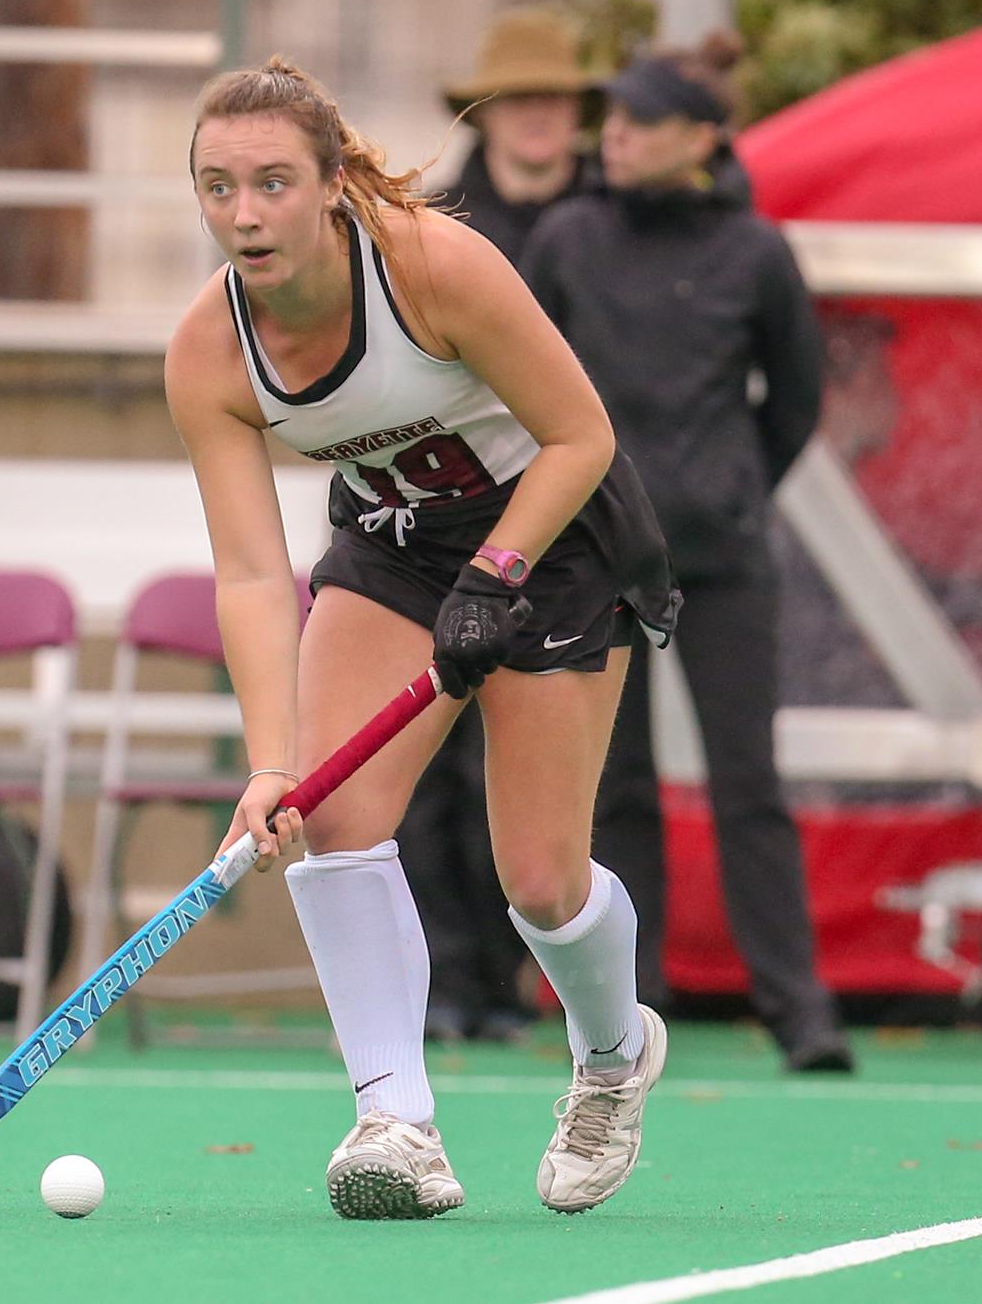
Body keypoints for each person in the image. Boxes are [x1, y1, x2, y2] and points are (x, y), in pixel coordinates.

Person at [169, 59, 681, 1219]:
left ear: (333, 183)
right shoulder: (207, 350)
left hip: (547, 539)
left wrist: (497, 573)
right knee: (331, 818)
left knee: (540, 882)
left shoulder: (432, 266)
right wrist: (267, 764)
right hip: (394, 544)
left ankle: (609, 1055)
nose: (242, 215)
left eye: (270, 183)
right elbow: (252, 572)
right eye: (215, 187)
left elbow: (576, 434)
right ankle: (393, 1121)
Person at [522, 34, 855, 1073]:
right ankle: (623, 1011)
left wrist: (723, 489)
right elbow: (520, 383)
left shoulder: (755, 251)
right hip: (592, 556)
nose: (610, 135)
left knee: (745, 780)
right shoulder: (568, 238)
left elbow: (794, 400)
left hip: (720, 557)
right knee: (608, 791)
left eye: (637, 119)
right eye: (609, 117)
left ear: (700, 138)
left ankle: (798, 1012)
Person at [402, 5, 599, 1044]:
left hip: (566, 528)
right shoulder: (434, 227)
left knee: (535, 769)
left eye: (553, 100)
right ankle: (446, 983)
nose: (537, 118)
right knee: (424, 765)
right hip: (442, 520)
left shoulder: (612, 220)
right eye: (518, 99)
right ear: (488, 112)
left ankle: (554, 986)